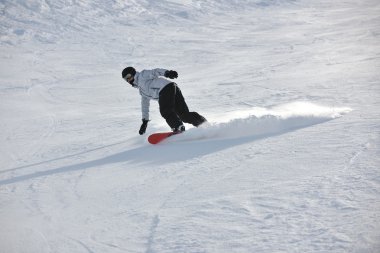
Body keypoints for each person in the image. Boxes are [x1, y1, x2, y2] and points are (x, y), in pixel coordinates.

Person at [122, 66, 207, 135]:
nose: (128, 80)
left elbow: (155, 72)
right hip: (172, 88)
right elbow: (145, 106)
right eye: (126, 79)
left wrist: (167, 73)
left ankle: (178, 127)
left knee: (166, 111)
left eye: (128, 77)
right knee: (183, 115)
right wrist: (145, 121)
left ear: (133, 73)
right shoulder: (142, 91)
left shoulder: (142, 75)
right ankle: (204, 124)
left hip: (165, 88)